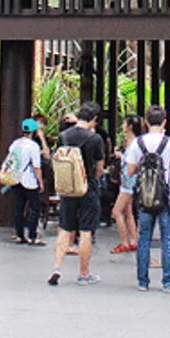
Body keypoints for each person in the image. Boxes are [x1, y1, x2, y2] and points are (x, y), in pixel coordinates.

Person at [124, 105, 170, 292]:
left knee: (144, 238)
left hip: (144, 196)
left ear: (145, 121)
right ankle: (168, 281)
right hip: (167, 196)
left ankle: (143, 281)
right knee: (168, 237)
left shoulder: (138, 142)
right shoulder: (169, 142)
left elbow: (130, 170)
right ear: (165, 122)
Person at [48, 101, 106, 287]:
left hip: (68, 187)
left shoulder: (64, 136)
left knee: (65, 228)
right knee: (86, 230)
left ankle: (56, 267)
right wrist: (94, 180)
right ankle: (83, 273)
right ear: (94, 119)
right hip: (87, 187)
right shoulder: (95, 139)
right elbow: (99, 166)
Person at [9, 118, 45, 245]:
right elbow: (36, 166)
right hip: (29, 180)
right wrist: (40, 182)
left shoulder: (15, 144)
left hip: (16, 179)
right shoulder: (33, 146)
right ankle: (32, 235)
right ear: (34, 132)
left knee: (19, 207)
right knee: (34, 207)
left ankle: (19, 235)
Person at [109, 115, 142, 254]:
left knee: (116, 211)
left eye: (124, 123)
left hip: (129, 181)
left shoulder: (134, 143)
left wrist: (120, 157)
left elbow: (131, 162)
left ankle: (124, 242)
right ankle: (134, 240)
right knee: (128, 211)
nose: (122, 125)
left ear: (129, 127)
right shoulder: (133, 142)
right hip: (128, 180)